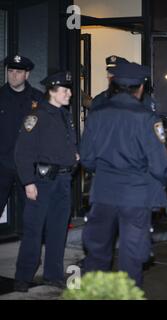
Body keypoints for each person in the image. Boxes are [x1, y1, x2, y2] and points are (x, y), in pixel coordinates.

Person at [80, 61, 167, 288]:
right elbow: (160, 166)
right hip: (135, 196)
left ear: (114, 84)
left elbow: (87, 158)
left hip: (103, 193)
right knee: (131, 258)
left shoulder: (97, 114)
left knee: (97, 254)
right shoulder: (147, 118)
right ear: (140, 88)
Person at [13, 71, 78, 292]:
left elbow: (66, 145)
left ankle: (53, 274)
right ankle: (23, 276)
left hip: (63, 180)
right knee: (33, 231)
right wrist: (28, 182)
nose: (69, 93)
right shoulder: (37, 116)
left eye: (69, 89)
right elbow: (22, 152)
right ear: (52, 91)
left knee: (58, 230)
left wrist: (74, 157)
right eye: (65, 89)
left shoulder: (64, 115)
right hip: (41, 182)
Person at [0, 55, 44, 226]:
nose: (13, 75)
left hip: (28, 166)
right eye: (10, 71)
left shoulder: (38, 99)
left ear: (27, 75)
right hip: (2, 163)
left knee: (31, 213)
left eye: (18, 72)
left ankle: (29, 249)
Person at [90, 55, 157, 113]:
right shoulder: (101, 99)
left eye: (114, 74)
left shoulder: (144, 99)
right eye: (109, 73)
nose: (109, 76)